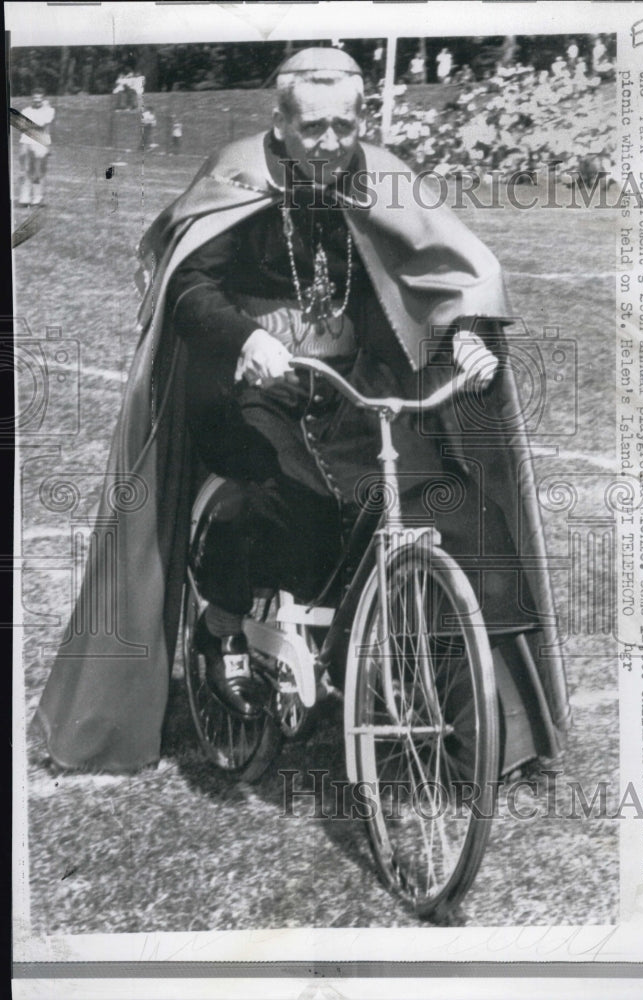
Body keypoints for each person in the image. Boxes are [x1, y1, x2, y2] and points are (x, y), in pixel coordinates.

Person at [36, 47, 569, 772]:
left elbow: (442, 276)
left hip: (352, 390)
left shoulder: (379, 175)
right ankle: (223, 621)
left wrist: (469, 339)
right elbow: (188, 287)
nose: (330, 144)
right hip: (250, 386)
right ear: (280, 123)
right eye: (313, 128)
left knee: (459, 511)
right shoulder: (236, 172)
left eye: (345, 126)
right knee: (286, 497)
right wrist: (248, 336)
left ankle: (471, 727)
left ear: (362, 120)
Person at [18, 90, 55, 207]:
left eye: (40, 98)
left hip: (41, 141)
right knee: (26, 169)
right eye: (35, 98)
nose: (37, 100)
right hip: (27, 140)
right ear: (32, 98)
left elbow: (45, 127)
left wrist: (48, 146)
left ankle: (37, 198)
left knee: (39, 171)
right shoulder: (26, 111)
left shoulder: (49, 111)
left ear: (43, 99)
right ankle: (24, 198)